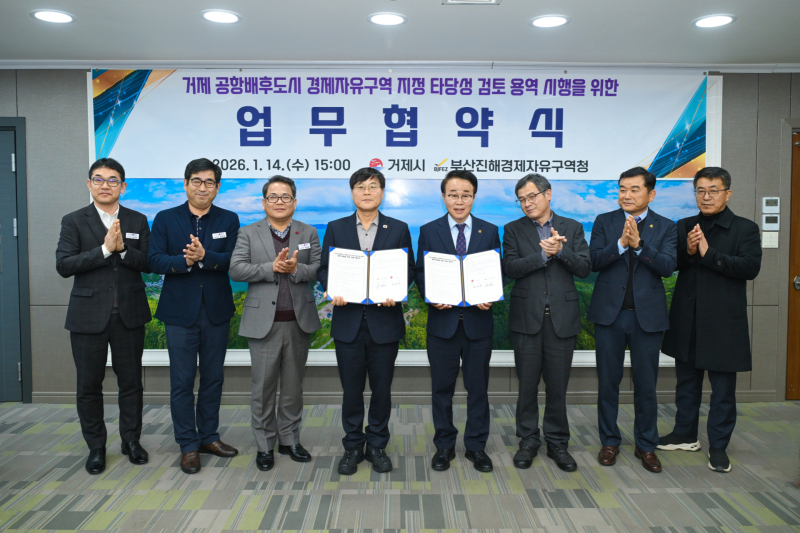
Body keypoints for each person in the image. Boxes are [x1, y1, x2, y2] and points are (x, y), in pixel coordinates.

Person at [659, 167, 761, 473]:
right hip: (687, 319)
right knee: (686, 385)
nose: (706, 197)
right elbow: (672, 265)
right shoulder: (684, 225)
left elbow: (749, 268)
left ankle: (718, 446)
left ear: (727, 193)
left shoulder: (745, 228)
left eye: (713, 191)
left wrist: (707, 253)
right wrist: (689, 251)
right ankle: (685, 434)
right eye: (700, 191)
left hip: (723, 323)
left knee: (723, 392)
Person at [55, 158, 152, 475]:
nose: (105, 185)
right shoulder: (73, 221)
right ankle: (96, 447)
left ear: (123, 186)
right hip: (87, 317)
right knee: (88, 386)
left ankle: (131, 441)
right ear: (89, 184)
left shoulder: (137, 220)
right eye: (98, 179)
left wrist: (122, 250)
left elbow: (147, 263)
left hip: (129, 315)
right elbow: (64, 265)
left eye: (112, 180)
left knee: (131, 383)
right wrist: (105, 250)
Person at [317, 167, 414, 475]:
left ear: (382, 192)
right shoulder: (336, 227)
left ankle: (377, 445)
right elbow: (324, 268)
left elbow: (408, 269)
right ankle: (352, 446)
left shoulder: (399, 228)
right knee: (351, 390)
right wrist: (332, 288)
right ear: (352, 192)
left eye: (373, 186)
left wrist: (397, 291)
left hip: (385, 322)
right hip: (348, 321)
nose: (367, 192)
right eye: (361, 187)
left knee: (382, 390)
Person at [148, 158, 240, 474]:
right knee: (182, 381)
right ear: (186, 184)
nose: (203, 187)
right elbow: (154, 260)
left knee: (213, 379)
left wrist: (205, 256)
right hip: (179, 313)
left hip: (216, 311)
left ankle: (209, 437)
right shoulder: (165, 218)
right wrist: (185, 261)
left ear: (217, 187)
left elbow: (234, 260)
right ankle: (188, 444)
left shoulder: (229, 219)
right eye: (197, 181)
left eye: (209, 182)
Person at [588, 167, 677, 473]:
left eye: (634, 189)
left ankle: (646, 445)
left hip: (647, 319)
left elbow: (668, 267)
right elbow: (593, 261)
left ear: (651, 194)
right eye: (622, 189)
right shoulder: (604, 221)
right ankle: (609, 441)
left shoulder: (666, 226)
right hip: (609, 317)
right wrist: (620, 245)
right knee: (608, 383)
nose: (626, 195)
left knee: (646, 385)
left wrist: (639, 246)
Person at [229, 176, 321, 472]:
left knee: (293, 387)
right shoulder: (248, 232)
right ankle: (265, 444)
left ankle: (289, 439)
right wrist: (271, 267)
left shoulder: (308, 231)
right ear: (264, 202)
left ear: (294, 201)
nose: (279, 202)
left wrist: (295, 269)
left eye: (285, 197)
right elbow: (236, 269)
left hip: (298, 321)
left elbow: (317, 268)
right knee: (263, 388)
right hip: (262, 324)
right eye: (273, 197)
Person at [414, 170, 501, 473]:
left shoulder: (490, 230)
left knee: (478, 390)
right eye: (453, 195)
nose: (459, 201)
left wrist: (491, 294)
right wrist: (430, 296)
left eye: (466, 195)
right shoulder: (429, 230)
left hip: (478, 323)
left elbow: (495, 269)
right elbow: (421, 271)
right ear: (444, 197)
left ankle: (476, 446)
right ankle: (444, 446)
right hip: (443, 324)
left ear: (474, 197)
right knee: (442, 390)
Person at [502, 174, 591, 472]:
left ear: (548, 194)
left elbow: (584, 267)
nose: (527, 203)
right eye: (522, 200)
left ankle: (557, 443)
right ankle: (528, 441)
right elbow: (510, 268)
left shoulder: (572, 227)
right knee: (526, 387)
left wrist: (561, 251)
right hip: (527, 319)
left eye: (532, 197)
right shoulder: (513, 229)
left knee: (557, 387)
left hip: (562, 320)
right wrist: (542, 254)